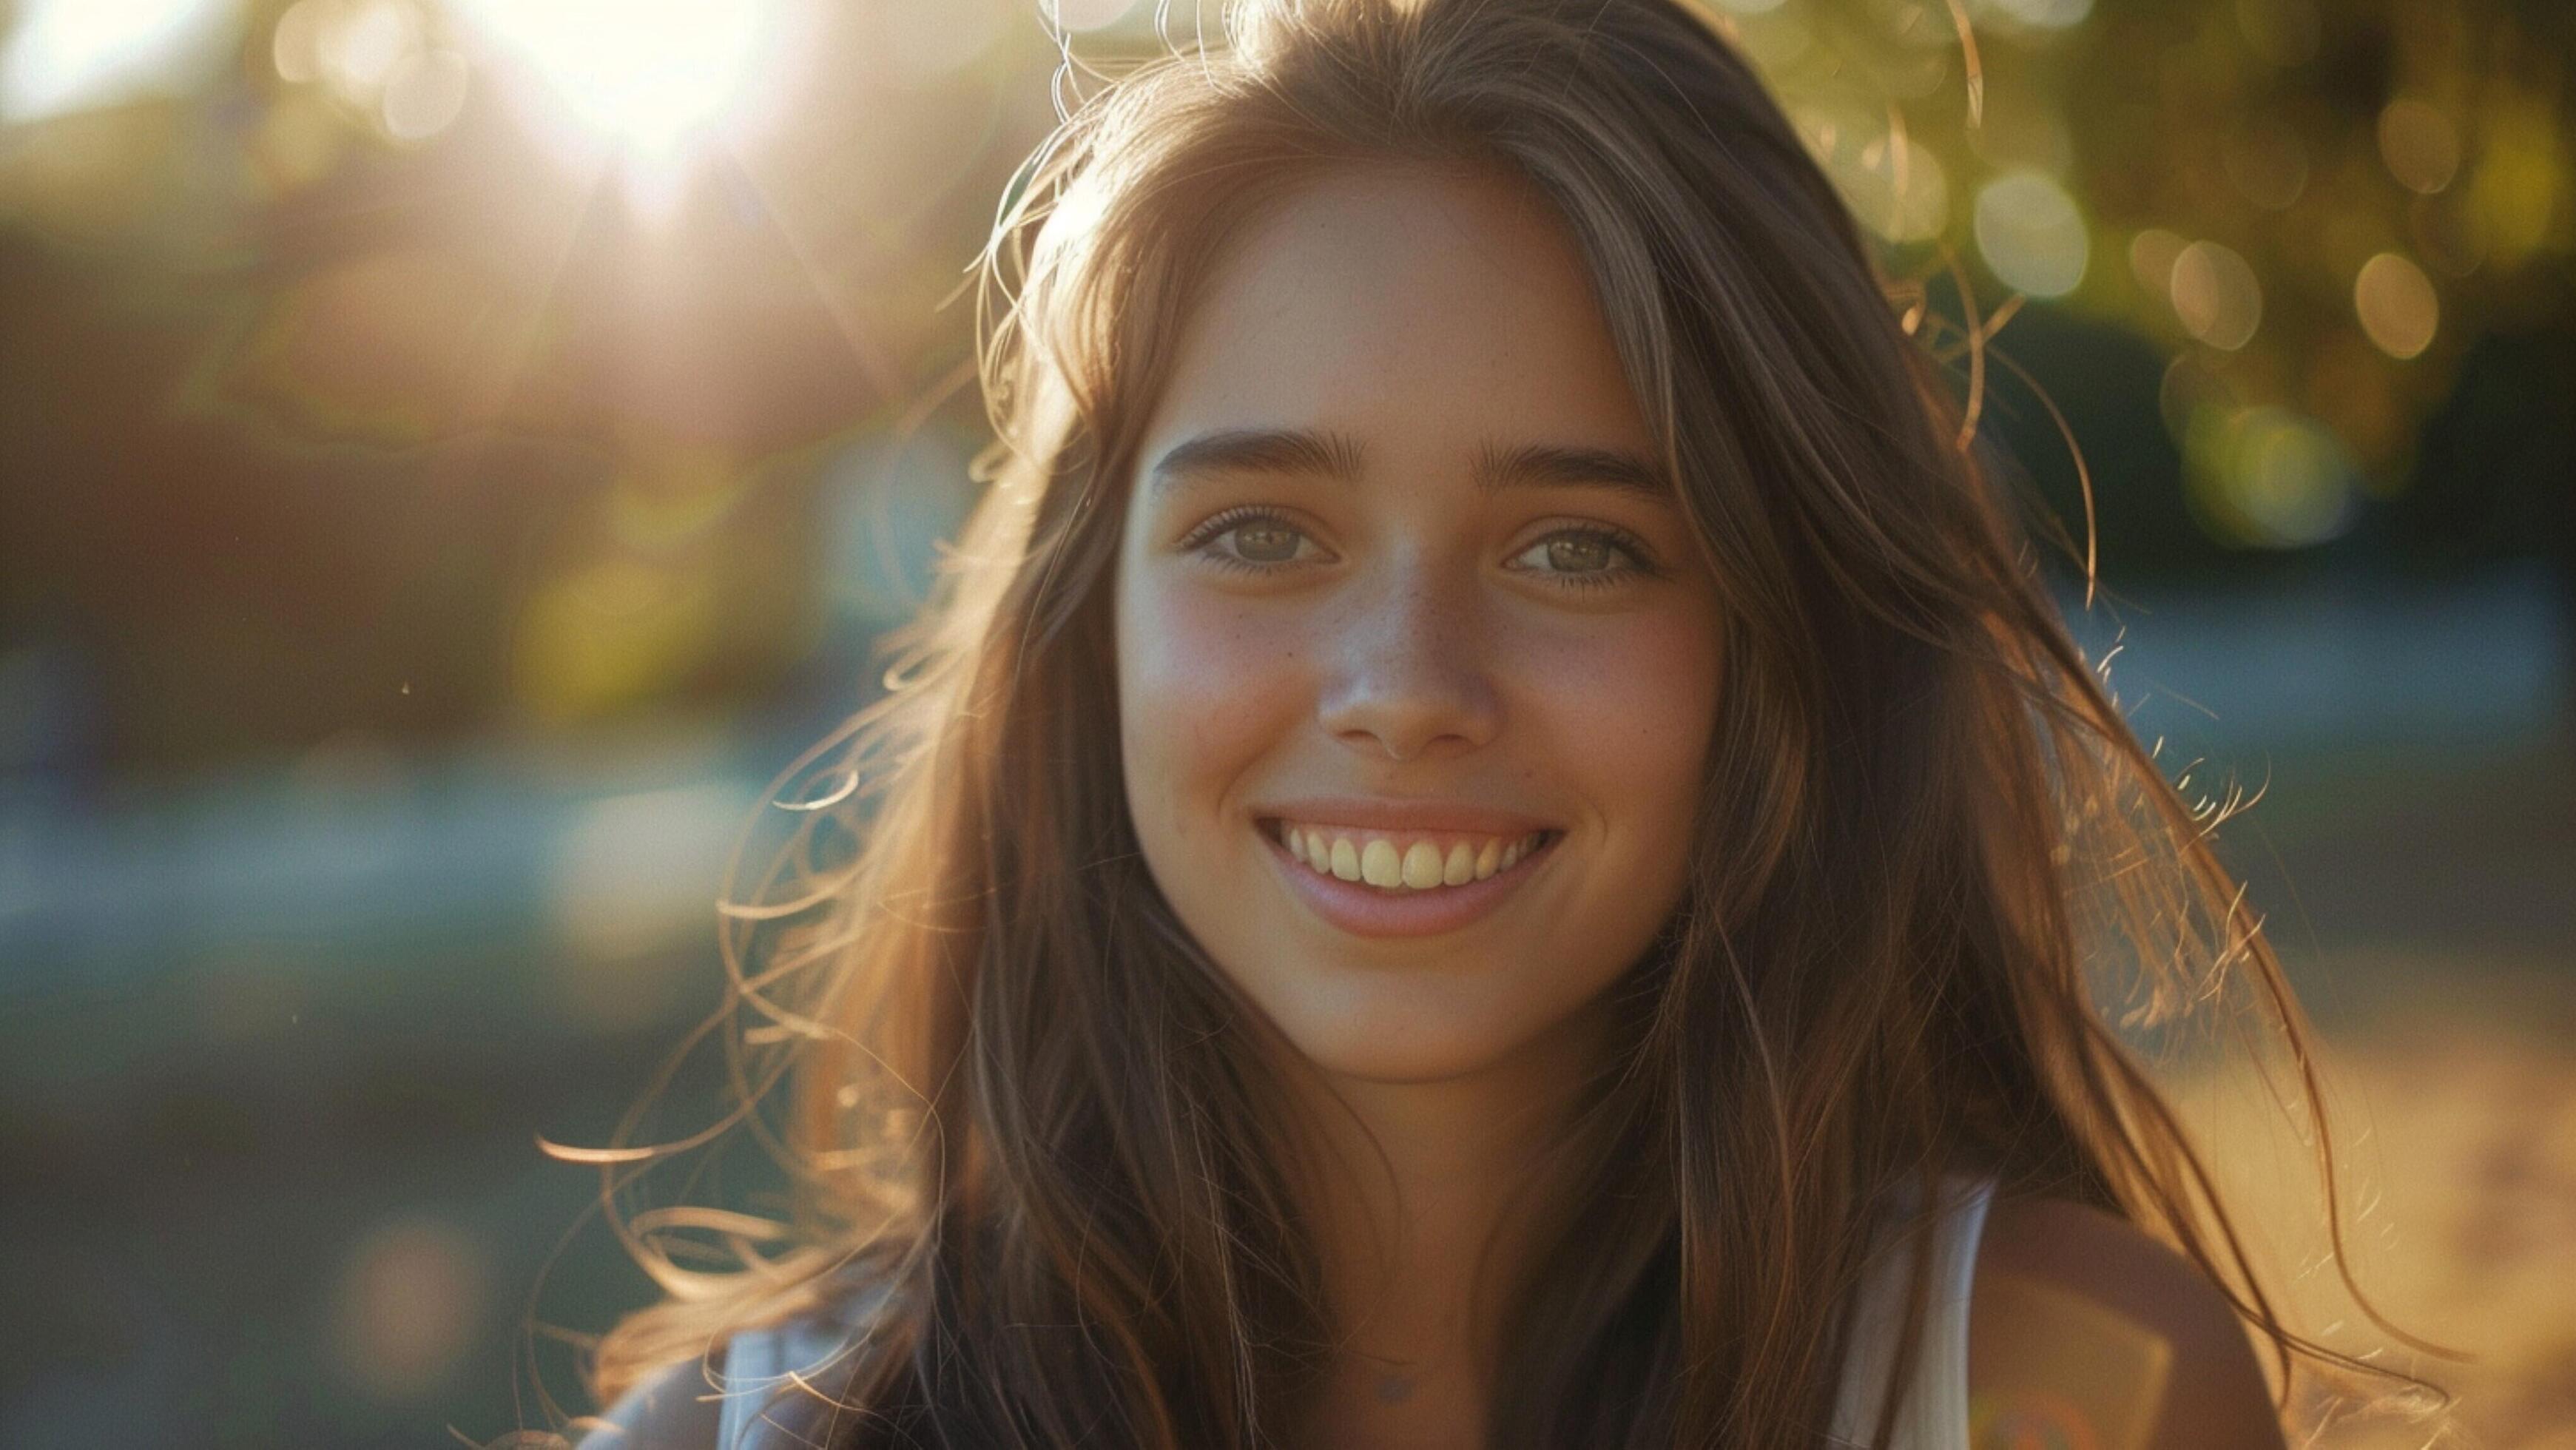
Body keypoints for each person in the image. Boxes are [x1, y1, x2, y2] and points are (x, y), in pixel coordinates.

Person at [560, 1, 2428, 1445]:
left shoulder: (2062, 1383)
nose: (1404, 688)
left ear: (1784, 644)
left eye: (1580, 546)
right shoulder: (742, 1439)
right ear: (1087, 628)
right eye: (1264, 531)